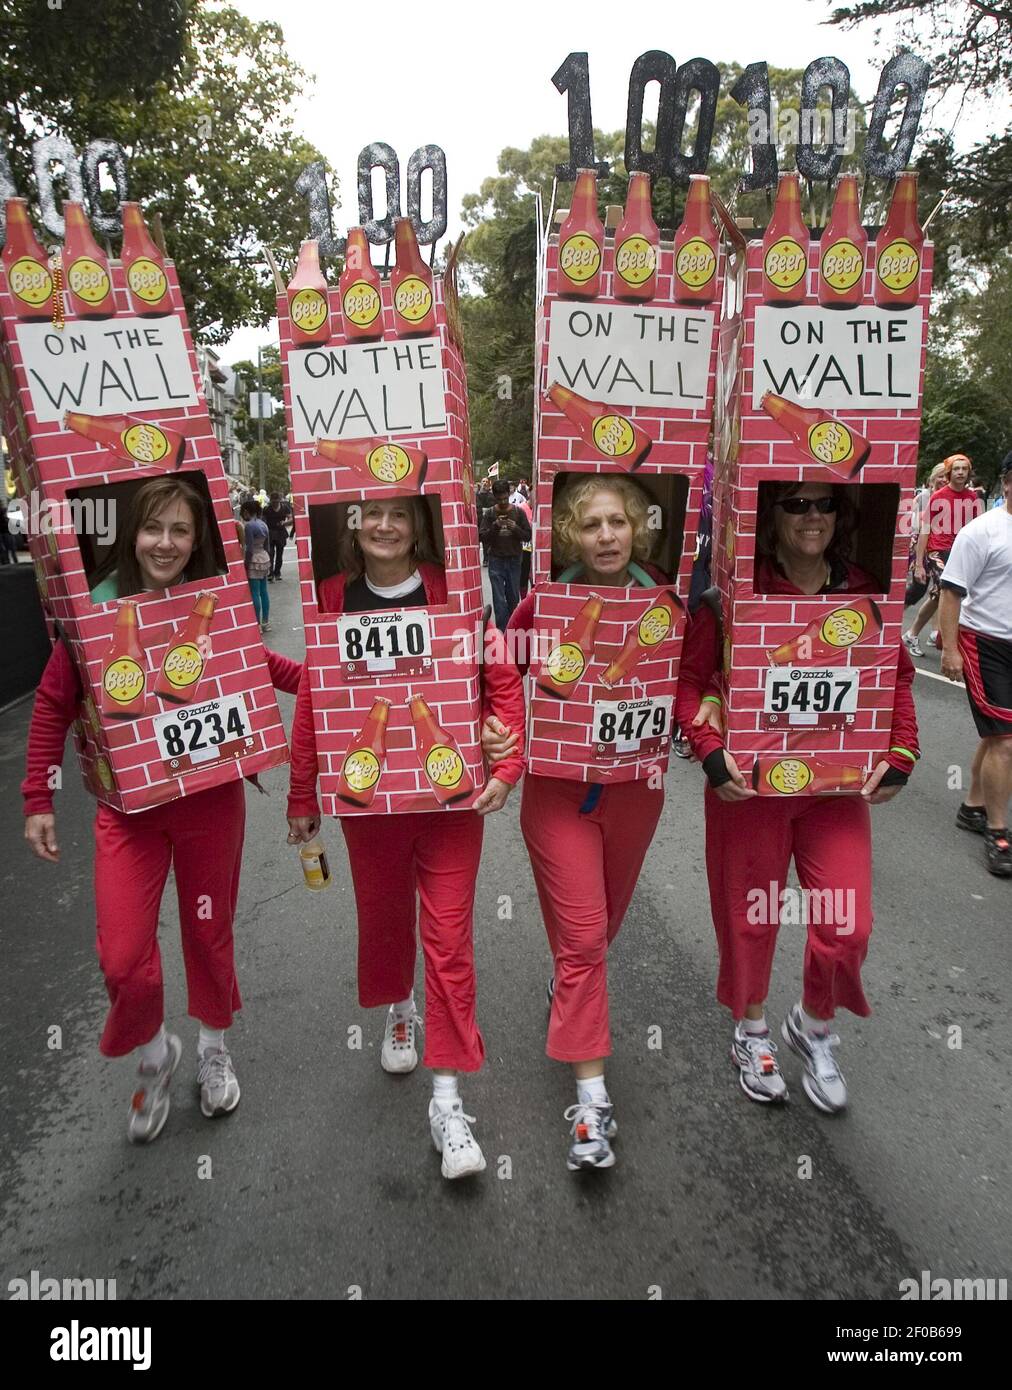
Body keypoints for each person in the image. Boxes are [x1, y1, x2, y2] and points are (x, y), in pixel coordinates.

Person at [22, 474, 302, 1143]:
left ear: (197, 537)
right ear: (131, 534)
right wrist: (39, 794)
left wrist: (345, 680)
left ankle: (212, 1051)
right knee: (121, 957)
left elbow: (262, 667)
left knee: (209, 933)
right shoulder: (94, 610)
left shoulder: (209, 604)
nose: (167, 543)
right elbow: (53, 703)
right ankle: (154, 1057)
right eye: (154, 528)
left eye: (182, 529)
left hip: (209, 802)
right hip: (129, 813)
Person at [286, 495, 526, 1181]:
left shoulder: (457, 593)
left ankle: (448, 1103)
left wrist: (506, 766)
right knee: (386, 919)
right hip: (371, 806)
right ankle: (400, 1005)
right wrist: (304, 795)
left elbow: (501, 683)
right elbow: (314, 700)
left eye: (399, 512)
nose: (385, 524)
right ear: (353, 525)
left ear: (420, 525)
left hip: (450, 807)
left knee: (449, 941)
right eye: (370, 512)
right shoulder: (332, 596)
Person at [675, 480, 919, 1114]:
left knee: (848, 926)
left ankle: (813, 1026)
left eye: (826, 504)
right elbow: (690, 683)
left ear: (843, 515)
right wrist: (707, 748)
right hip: (750, 792)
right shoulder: (727, 595)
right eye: (797, 504)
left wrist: (901, 755)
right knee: (751, 918)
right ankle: (751, 1030)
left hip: (833, 792)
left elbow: (896, 681)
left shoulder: (868, 591)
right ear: (771, 515)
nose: (814, 517)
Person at [488, 475, 670, 1171]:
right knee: (587, 939)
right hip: (559, 793)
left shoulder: (665, 598)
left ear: (638, 528)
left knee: (599, 930)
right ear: (569, 533)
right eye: (590, 524)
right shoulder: (547, 602)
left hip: (636, 791)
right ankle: (591, 1104)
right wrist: (498, 727)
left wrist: (707, 707)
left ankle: (569, 980)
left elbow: (697, 674)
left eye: (617, 522)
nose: (605, 536)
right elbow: (500, 668)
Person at [939, 451, 1012, 878]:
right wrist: (950, 648)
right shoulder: (982, 531)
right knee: (1005, 740)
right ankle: (999, 832)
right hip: (986, 644)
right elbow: (951, 592)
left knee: (999, 735)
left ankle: (973, 806)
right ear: (1006, 483)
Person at [904, 454, 982, 657]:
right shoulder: (938, 497)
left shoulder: (972, 498)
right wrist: (919, 564)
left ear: (968, 473)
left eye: (964, 469)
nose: (960, 472)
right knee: (948, 589)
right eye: (956, 469)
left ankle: (915, 634)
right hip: (936, 551)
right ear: (949, 473)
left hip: (958, 551)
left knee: (939, 594)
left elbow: (975, 529)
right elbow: (925, 530)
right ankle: (942, 637)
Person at [480, 478, 531, 630]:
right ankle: (503, 633)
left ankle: (512, 629)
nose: (503, 501)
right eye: (499, 498)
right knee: (499, 600)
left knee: (513, 597)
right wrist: (495, 527)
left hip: (514, 559)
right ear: (495, 497)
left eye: (505, 497)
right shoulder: (489, 514)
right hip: (496, 560)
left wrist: (515, 528)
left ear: (509, 494)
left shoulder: (518, 512)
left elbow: (528, 536)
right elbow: (482, 537)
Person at [904, 461, 946, 608]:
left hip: (938, 548)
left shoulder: (948, 497)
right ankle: (892, 616)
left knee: (941, 590)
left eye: (946, 476)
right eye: (940, 476)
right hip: (921, 547)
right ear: (933, 478)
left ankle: (930, 630)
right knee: (918, 590)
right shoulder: (925, 497)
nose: (944, 479)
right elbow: (917, 529)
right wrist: (918, 562)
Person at [241, 500, 271, 634]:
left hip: (254, 560)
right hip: (264, 558)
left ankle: (257, 624)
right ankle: (266, 622)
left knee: (255, 593)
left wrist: (246, 563)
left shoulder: (249, 526)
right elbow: (267, 546)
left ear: (246, 512)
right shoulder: (263, 524)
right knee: (264, 592)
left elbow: (249, 549)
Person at [264, 491, 293, 580]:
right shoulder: (266, 509)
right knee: (270, 554)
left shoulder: (284, 508)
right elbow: (263, 520)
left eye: (277, 501)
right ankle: (270, 573)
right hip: (270, 533)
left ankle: (277, 572)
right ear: (271, 501)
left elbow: (291, 518)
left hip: (281, 533)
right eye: (273, 502)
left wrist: (285, 522)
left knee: (280, 554)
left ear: (279, 500)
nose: (275, 503)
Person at [476, 477, 495, 567]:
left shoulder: (492, 495)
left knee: (489, 541)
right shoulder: (477, 495)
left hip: (489, 521)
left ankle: (488, 558)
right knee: (482, 540)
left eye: (486, 481)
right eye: (483, 481)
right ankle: (485, 559)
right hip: (479, 521)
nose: (485, 483)